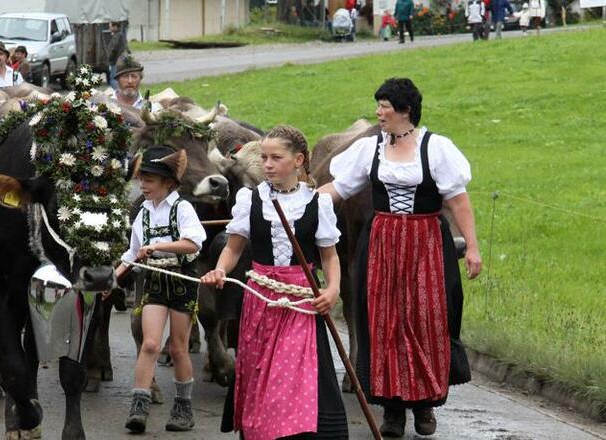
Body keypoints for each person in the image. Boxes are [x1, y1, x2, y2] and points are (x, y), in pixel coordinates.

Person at [317, 78, 481, 437]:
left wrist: (472, 246)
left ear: (405, 110)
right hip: (384, 244)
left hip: (425, 242)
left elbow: (458, 200)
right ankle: (393, 409)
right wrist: (301, 201)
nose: (378, 112)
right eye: (378, 105)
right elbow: (340, 189)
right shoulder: (371, 149)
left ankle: (424, 406)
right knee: (385, 321)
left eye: (384, 106)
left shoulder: (436, 148)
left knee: (426, 319)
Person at [201, 126, 348, 439]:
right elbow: (232, 247)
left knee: (289, 380)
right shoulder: (250, 201)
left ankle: (291, 433)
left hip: (300, 303)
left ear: (298, 160)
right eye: (264, 157)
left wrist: (332, 288)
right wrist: (220, 270)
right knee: (259, 378)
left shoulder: (317, 204)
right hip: (260, 301)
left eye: (275, 158)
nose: (266, 164)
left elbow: (330, 257)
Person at [115, 146, 207, 433]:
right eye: (141, 179)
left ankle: (183, 408)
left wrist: (157, 246)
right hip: (154, 283)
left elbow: (193, 243)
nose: (142, 185)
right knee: (150, 344)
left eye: (149, 180)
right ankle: (138, 407)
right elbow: (131, 254)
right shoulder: (141, 212)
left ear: (168, 184)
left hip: (182, 282)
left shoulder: (184, 209)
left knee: (178, 348)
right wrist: (113, 279)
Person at [107, 21, 129, 89]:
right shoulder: (120, 35)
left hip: (115, 61)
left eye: (111, 26)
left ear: (116, 27)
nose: (109, 28)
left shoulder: (117, 36)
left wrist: (109, 58)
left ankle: (118, 94)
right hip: (118, 60)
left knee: (113, 79)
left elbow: (114, 49)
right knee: (117, 78)